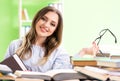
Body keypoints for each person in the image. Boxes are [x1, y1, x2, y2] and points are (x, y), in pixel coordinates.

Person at [4, 6, 72, 72]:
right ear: (37, 19)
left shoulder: (60, 53)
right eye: (43, 19)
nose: (46, 25)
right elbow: (4, 75)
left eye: (52, 24)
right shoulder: (15, 45)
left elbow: (59, 77)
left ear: (55, 30)